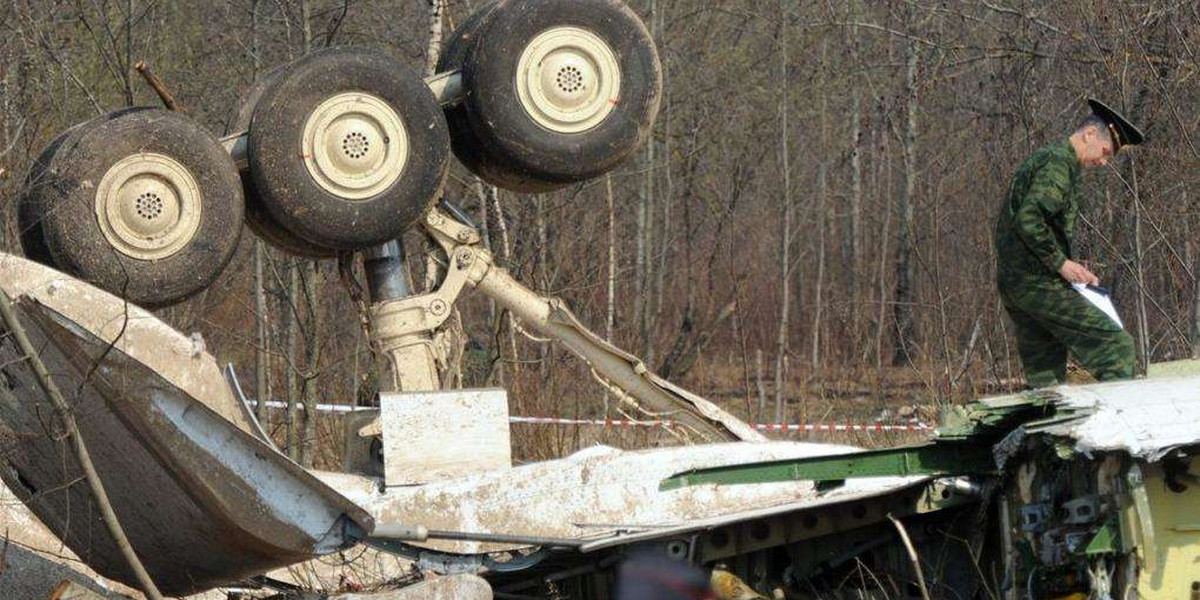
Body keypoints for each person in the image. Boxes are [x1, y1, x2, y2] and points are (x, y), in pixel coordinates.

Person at [994, 98, 1145, 388]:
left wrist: (1073, 269)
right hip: (1037, 283)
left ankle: (1046, 432)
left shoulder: (1050, 160)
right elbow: (1029, 218)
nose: (1103, 162)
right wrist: (1061, 264)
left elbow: (1033, 223)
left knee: (1046, 381)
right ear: (1089, 134)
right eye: (1104, 152)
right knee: (1117, 348)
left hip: (1017, 285)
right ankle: (1115, 429)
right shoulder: (1059, 162)